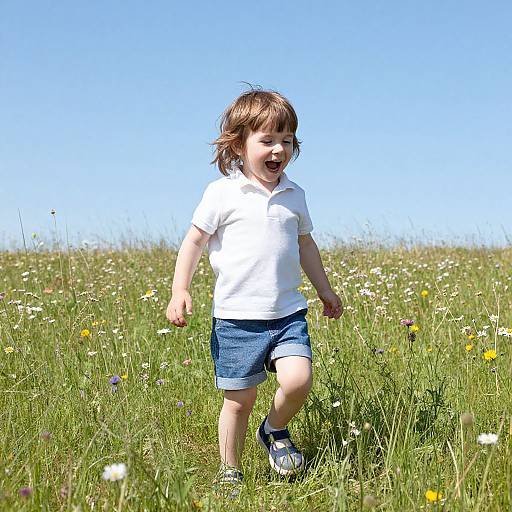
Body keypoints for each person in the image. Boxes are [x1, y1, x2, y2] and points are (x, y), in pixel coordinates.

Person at [166, 87, 343, 496]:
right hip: (236, 319)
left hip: (287, 314)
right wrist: (181, 289)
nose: (278, 149)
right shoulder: (222, 193)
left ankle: (275, 429)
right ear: (238, 145)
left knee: (298, 380)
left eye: (287, 140)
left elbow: (305, 246)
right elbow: (193, 241)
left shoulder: (294, 194)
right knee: (239, 400)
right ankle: (230, 470)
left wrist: (325, 290)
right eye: (267, 140)